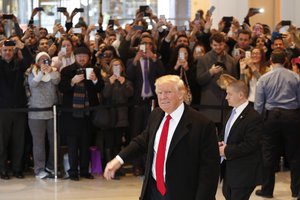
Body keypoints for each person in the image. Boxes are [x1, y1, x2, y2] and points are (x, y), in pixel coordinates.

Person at [104, 75, 220, 200]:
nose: (163, 97)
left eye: (168, 92)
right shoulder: (156, 114)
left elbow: (209, 172)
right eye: (160, 93)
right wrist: (118, 160)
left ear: (181, 94)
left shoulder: (202, 124)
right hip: (154, 191)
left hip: (182, 194)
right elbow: (142, 141)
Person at [254, 49, 300, 199]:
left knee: (268, 154)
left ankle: (267, 190)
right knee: (295, 155)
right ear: (286, 60)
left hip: (271, 117)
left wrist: (258, 122)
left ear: (271, 61)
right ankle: (296, 190)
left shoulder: (264, 78)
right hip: (291, 116)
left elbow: (259, 105)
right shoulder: (295, 77)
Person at [58, 46, 104, 181]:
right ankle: (73, 171)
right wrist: (72, 81)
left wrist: (95, 80)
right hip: (72, 114)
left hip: (88, 113)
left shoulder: (94, 69)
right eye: (79, 56)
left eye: (84, 56)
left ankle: (84, 170)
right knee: (72, 144)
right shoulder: (67, 71)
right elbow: (62, 88)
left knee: (86, 143)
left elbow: (100, 87)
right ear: (75, 57)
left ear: (89, 57)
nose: (82, 58)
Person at [219, 80, 263, 200]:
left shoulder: (253, 117)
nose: (226, 97)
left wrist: (226, 150)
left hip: (243, 173)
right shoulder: (232, 112)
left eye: (229, 94)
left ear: (240, 95)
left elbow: (250, 145)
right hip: (230, 170)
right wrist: (220, 143)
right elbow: (226, 135)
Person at [0, 38, 33, 179]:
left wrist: (22, 46)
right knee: (2, 142)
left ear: (14, 52)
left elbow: (29, 61)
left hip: (19, 109)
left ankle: (17, 168)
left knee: (19, 141)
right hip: (2, 110)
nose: (7, 52)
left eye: (10, 50)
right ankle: (2, 169)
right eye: (5, 50)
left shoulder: (19, 64)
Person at [26, 52, 60, 179]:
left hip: (51, 112)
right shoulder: (31, 72)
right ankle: (39, 169)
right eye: (42, 60)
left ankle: (51, 166)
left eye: (47, 60)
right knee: (38, 143)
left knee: (54, 141)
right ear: (37, 61)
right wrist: (41, 72)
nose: (44, 62)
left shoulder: (54, 71)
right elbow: (33, 84)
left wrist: (50, 71)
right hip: (36, 114)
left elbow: (57, 81)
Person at [197, 32, 237, 134]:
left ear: (224, 44)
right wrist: (210, 72)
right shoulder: (203, 59)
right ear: (210, 45)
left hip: (226, 104)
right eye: (215, 45)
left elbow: (235, 81)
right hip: (209, 104)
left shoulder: (231, 61)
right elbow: (199, 80)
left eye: (220, 45)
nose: (218, 47)